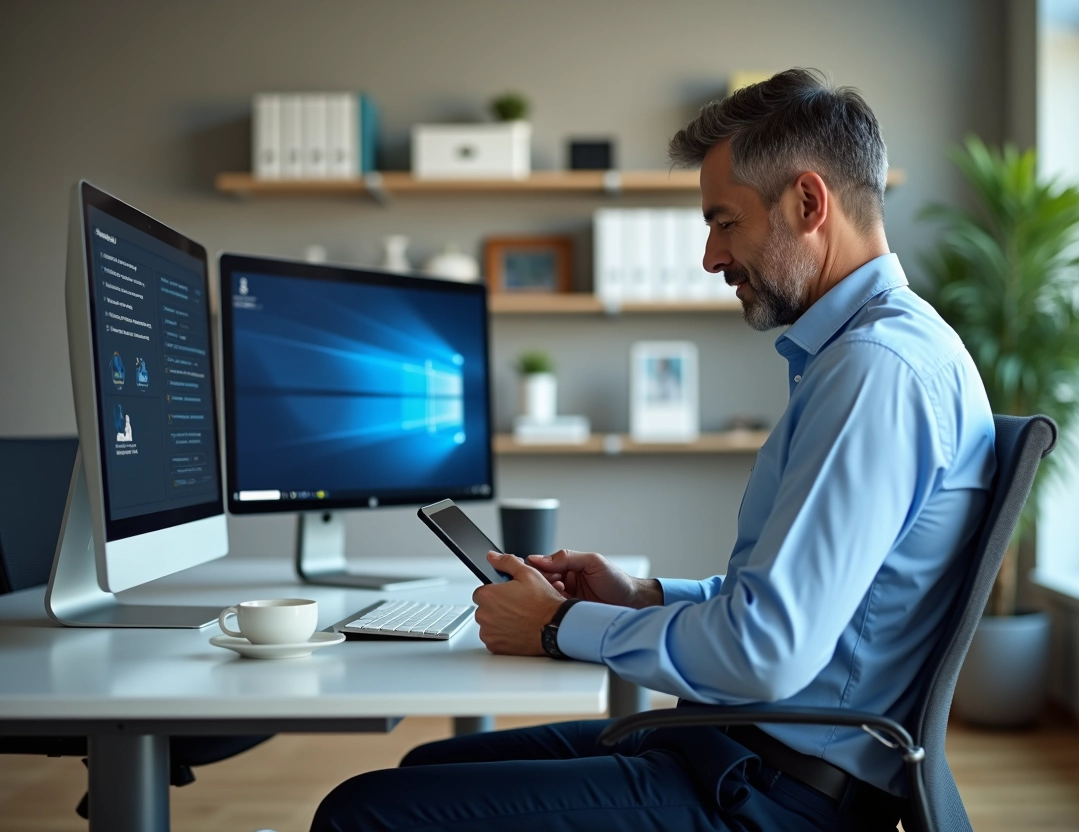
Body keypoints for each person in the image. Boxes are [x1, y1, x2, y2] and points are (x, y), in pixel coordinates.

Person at [311, 67, 995, 832]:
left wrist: (553, 627)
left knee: (363, 813)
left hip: (769, 796)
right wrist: (640, 595)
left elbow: (767, 651)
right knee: (427, 770)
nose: (710, 257)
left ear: (808, 203)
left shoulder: (877, 373)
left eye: (724, 221)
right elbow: (795, 612)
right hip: (741, 749)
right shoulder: (873, 357)